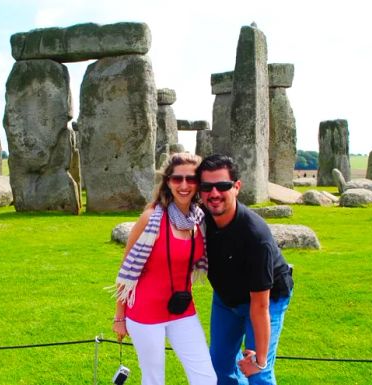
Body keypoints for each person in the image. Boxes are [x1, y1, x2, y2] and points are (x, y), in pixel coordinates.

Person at [111, 152, 217, 385]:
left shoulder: (199, 220)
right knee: (154, 379)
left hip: (183, 309)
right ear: (167, 182)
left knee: (206, 377)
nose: (184, 185)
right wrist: (120, 317)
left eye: (191, 179)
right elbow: (127, 270)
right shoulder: (150, 218)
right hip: (146, 312)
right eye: (177, 178)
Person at [196, 154, 294, 385]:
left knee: (258, 371)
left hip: (267, 300)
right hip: (226, 298)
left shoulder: (255, 236)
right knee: (219, 367)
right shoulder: (199, 217)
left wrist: (259, 358)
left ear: (237, 187)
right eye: (206, 187)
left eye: (223, 186)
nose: (214, 193)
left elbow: (260, 306)